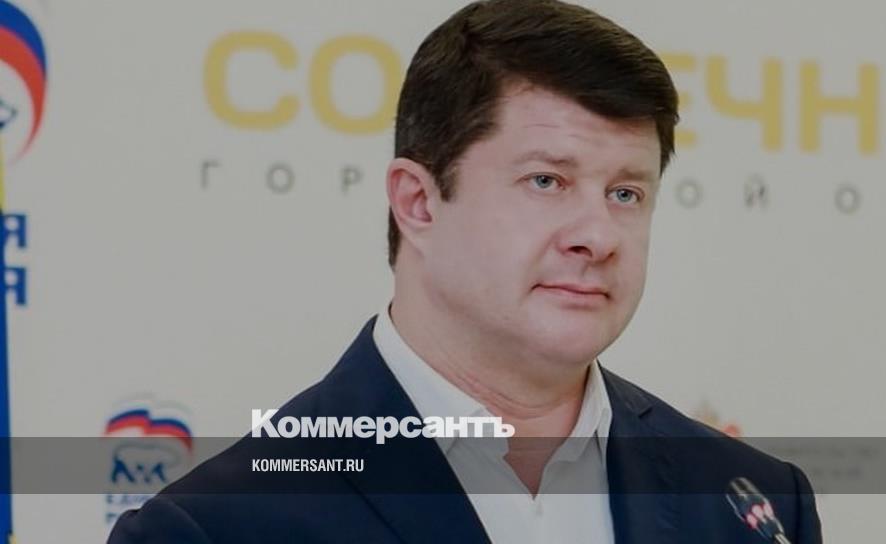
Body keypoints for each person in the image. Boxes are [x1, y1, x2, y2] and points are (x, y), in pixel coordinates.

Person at [109, 1, 822, 542]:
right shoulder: (218, 527)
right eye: (546, 181)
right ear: (418, 203)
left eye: (626, 193)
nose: (598, 236)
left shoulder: (757, 503)